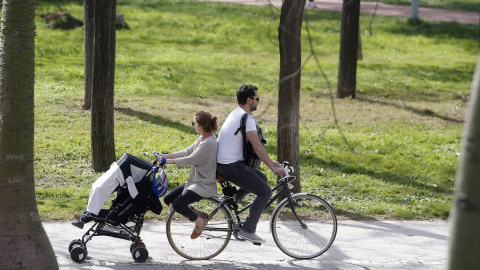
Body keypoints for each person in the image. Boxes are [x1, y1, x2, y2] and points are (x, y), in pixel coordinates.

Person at [216, 84, 286, 244]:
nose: (258, 102)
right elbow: (257, 146)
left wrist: (271, 162)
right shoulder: (247, 118)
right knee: (265, 192)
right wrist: (273, 167)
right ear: (249, 100)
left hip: (226, 164)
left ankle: (233, 199)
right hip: (230, 166)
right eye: (257, 98)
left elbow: (253, 149)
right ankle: (248, 229)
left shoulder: (236, 113)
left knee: (261, 179)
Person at [159, 111, 218, 239]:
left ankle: (199, 221)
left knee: (177, 204)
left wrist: (166, 162)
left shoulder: (209, 143)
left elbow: (189, 159)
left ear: (202, 125)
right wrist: (163, 156)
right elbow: (186, 152)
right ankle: (198, 214)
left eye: (194, 123)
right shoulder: (203, 138)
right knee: (168, 199)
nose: (193, 125)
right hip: (195, 181)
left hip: (203, 184)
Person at [72, 153, 158, 229]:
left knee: (102, 211)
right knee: (103, 208)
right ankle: (85, 215)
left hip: (119, 213)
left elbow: (134, 195)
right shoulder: (131, 185)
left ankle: (84, 218)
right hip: (118, 209)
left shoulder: (132, 185)